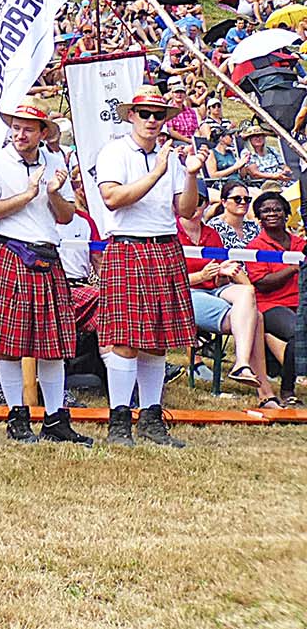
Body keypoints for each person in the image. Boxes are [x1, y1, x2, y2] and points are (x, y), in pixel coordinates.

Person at [0, 103, 94, 443]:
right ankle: (17, 417)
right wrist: (27, 195)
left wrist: (53, 193)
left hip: (47, 253)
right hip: (12, 251)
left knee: (52, 346)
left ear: (43, 133)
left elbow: (67, 216)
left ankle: (56, 419)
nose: (19, 134)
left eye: (28, 128)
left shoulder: (56, 163)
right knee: (11, 346)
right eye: (15, 127)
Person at [95, 85, 204, 448]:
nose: (153, 121)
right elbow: (112, 199)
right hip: (128, 246)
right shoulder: (113, 152)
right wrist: (157, 172)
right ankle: (120, 420)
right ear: (131, 116)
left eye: (159, 115)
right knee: (125, 340)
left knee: (158, 341)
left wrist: (189, 174)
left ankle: (152, 418)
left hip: (164, 246)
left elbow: (186, 210)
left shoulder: (169, 158)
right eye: (146, 114)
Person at [246, 192, 303, 405]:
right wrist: (293, 268)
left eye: (277, 209)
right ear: (259, 217)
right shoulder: (255, 247)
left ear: (286, 213)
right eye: (266, 210)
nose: (272, 214)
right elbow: (262, 283)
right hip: (269, 305)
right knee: (299, 332)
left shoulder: (299, 243)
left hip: (300, 301)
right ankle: (288, 391)